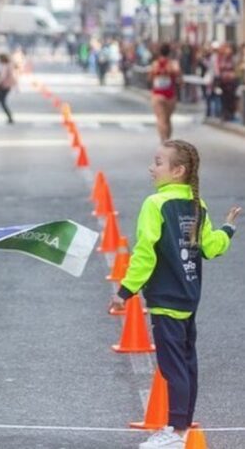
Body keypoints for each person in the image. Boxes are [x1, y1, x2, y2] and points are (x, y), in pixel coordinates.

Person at [114, 140, 240, 449]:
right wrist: (227, 229)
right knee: (186, 363)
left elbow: (145, 253)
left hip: (167, 297)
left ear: (178, 170)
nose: (151, 168)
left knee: (173, 367)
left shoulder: (155, 204)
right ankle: (180, 426)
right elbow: (210, 248)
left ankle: (176, 431)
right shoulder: (198, 204)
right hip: (189, 294)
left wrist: (125, 291)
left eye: (158, 162)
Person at [149, 43, 181, 142]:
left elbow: (150, 78)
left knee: (160, 118)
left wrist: (158, 75)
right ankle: (167, 139)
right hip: (170, 94)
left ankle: (163, 140)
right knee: (167, 119)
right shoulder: (173, 64)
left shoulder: (155, 64)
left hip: (158, 94)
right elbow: (179, 78)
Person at [0, 54, 15, 124]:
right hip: (6, 86)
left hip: (4, 86)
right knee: (0, 102)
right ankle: (9, 117)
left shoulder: (5, 66)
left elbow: (3, 76)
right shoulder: (8, 65)